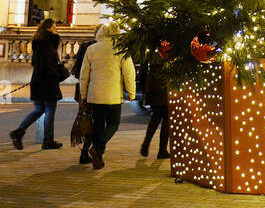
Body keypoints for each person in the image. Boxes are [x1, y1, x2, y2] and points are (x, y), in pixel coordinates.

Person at [77, 21, 136, 169]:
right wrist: (131, 92)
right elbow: (129, 73)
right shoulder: (121, 49)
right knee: (113, 124)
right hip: (113, 94)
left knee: (97, 125)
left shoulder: (92, 49)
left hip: (95, 94)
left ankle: (98, 158)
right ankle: (97, 150)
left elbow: (84, 75)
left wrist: (83, 95)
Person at [9, 19, 68, 150]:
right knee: (49, 111)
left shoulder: (39, 44)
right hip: (47, 83)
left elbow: (37, 64)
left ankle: (19, 132)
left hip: (37, 82)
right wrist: (57, 75)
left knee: (39, 110)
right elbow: (46, 66)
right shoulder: (47, 45)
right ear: (48, 29)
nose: (56, 29)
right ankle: (48, 140)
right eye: (54, 27)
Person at [140, 52, 170, 160]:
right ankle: (162, 150)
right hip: (165, 86)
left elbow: (143, 71)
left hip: (152, 86)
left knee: (156, 115)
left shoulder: (151, 50)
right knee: (167, 119)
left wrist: (143, 88)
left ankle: (146, 142)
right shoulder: (170, 49)